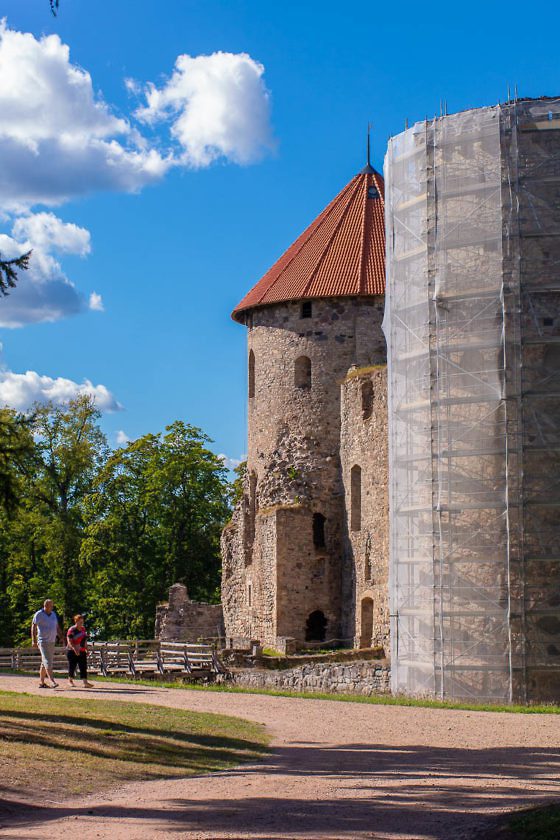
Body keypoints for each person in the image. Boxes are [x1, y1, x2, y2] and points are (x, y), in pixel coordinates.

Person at [31, 599, 64, 688]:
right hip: (43, 641)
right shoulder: (39, 614)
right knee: (47, 661)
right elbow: (33, 627)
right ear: (45, 606)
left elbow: (56, 626)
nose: (52, 607)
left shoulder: (53, 614)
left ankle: (41, 683)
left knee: (44, 662)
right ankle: (52, 681)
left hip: (52, 641)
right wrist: (33, 640)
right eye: (50, 605)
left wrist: (61, 636)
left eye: (52, 605)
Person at [66, 614, 93, 688]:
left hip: (82, 650)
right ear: (76, 621)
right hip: (72, 650)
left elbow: (84, 640)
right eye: (80, 622)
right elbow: (69, 641)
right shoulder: (72, 630)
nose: (81, 624)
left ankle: (85, 682)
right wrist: (74, 649)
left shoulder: (83, 629)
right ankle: (70, 681)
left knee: (83, 666)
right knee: (72, 666)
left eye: (82, 622)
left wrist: (87, 649)